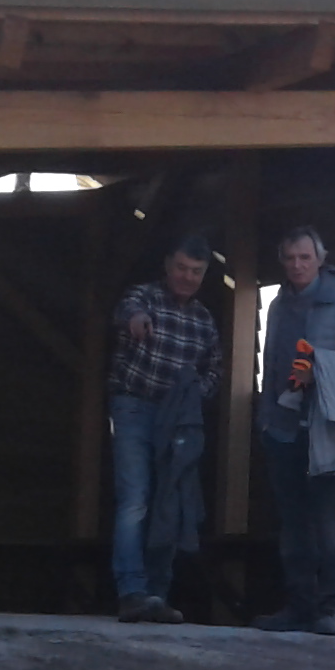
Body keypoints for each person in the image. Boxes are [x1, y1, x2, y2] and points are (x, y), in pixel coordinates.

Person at [255, 225, 335, 635]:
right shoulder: (278, 305)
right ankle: (299, 608)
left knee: (330, 524)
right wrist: (266, 421)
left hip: (329, 428)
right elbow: (271, 368)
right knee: (293, 525)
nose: (297, 265)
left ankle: (332, 610)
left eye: (305, 258)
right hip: (284, 430)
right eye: (290, 258)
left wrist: (324, 372)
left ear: (320, 259)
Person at [108, 237, 221, 624]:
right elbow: (127, 309)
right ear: (168, 265)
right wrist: (136, 320)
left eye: (196, 272)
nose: (187, 277)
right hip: (133, 406)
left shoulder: (205, 320)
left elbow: (215, 370)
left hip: (177, 420)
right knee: (135, 498)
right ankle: (132, 592)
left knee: (169, 502)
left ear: (204, 275)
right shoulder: (144, 297)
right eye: (182, 268)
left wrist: (195, 393)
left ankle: (157, 594)